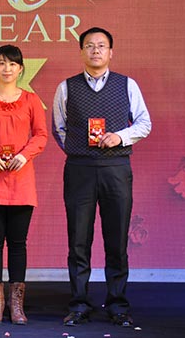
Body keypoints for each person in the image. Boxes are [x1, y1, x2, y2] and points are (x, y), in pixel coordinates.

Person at [52, 27, 151, 328]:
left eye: (101, 46)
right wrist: (79, 150)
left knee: (116, 240)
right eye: (89, 46)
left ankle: (117, 305)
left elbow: (144, 123)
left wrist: (119, 137)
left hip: (116, 169)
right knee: (78, 241)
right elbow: (59, 128)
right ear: (81, 51)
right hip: (79, 170)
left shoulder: (127, 85)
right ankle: (79, 305)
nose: (95, 50)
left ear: (111, 52)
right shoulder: (66, 87)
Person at [0, 45, 48, 325]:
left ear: (20, 69)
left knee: (17, 243)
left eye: (12, 64)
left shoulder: (31, 100)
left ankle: (16, 303)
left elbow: (41, 135)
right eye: (1, 63)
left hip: (21, 178)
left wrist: (24, 156)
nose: (7, 68)